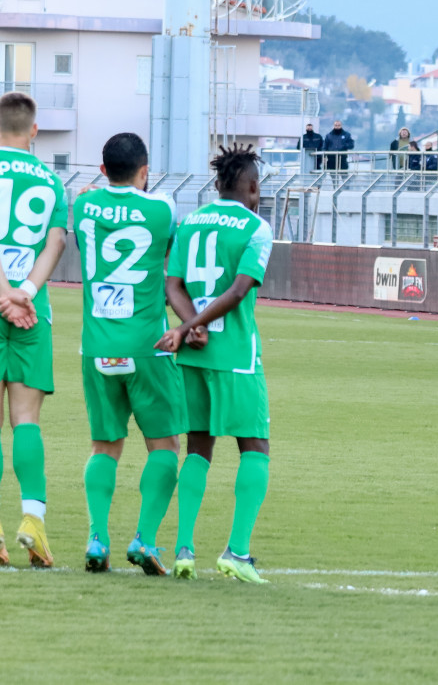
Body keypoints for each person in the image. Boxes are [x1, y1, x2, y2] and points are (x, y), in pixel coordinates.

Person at [0, 91, 68, 568]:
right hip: (32, 311)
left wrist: (1, 291)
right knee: (27, 419)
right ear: (35, 130)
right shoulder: (54, 181)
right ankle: (34, 523)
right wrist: (24, 290)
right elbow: (56, 243)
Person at [158, 143, 274, 584]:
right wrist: (201, 323)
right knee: (255, 447)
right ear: (250, 186)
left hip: (193, 354)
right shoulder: (256, 228)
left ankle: (184, 549)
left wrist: (189, 326)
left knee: (198, 448)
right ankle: (237, 552)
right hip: (236, 357)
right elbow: (239, 291)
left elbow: (173, 285)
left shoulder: (191, 222)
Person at [70, 133, 185, 575]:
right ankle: (145, 539)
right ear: (144, 170)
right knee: (164, 446)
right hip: (147, 346)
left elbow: (84, 208)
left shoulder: (83, 205)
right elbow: (170, 258)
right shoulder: (163, 208)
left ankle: (97, 539)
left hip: (97, 346)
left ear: (101, 170)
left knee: (104, 445)